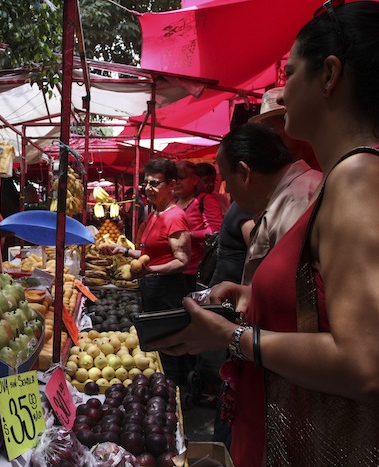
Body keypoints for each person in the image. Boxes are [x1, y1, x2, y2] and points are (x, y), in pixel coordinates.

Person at [146, 3, 379, 465]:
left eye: (290, 74)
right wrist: (254, 297)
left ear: (329, 75)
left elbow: (365, 363)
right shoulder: (342, 180)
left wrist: (231, 338)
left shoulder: (356, 178)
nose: (281, 92)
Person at [99, 158, 192, 386]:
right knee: (159, 347)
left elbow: (182, 261)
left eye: (155, 183)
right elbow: (147, 254)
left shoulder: (175, 216)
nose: (148, 188)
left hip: (167, 291)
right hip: (153, 288)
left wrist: (150, 271)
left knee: (169, 347)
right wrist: (121, 250)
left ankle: (175, 393)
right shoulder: (155, 214)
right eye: (146, 183)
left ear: (171, 185)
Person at [219, 123, 321, 285]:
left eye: (226, 179)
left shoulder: (296, 205)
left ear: (244, 173)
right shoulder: (290, 196)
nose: (228, 189)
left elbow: (294, 293)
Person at [174, 160, 223, 290]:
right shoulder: (173, 203)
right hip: (173, 270)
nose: (177, 182)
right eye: (174, 178)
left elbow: (215, 232)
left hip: (194, 273)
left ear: (195, 180)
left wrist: (188, 235)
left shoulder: (205, 200)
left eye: (181, 178)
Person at [249, 87, 321, 171]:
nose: (267, 136)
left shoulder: (321, 157)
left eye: (270, 127)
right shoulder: (277, 164)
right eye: (264, 129)